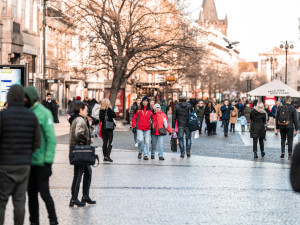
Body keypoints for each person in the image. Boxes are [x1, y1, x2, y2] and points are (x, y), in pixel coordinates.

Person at [0, 85, 41, 225]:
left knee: (2, 199)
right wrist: (27, 153)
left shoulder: (2, 115)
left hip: (5, 164)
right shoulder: (31, 115)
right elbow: (37, 142)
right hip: (24, 165)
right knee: (20, 200)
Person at [24, 86, 58, 225]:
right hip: (27, 162)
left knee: (44, 194)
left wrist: (48, 161)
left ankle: (53, 220)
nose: (23, 100)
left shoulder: (44, 113)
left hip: (41, 162)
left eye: (25, 97)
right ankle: (34, 221)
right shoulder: (24, 112)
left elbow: (51, 139)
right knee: (31, 195)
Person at [69, 102, 96, 207]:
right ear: (80, 110)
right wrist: (89, 139)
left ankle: (84, 196)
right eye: (86, 110)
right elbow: (79, 134)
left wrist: (89, 126)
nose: (87, 112)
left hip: (79, 150)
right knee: (78, 175)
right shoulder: (80, 120)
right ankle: (74, 198)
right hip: (80, 151)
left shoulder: (79, 119)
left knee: (87, 172)